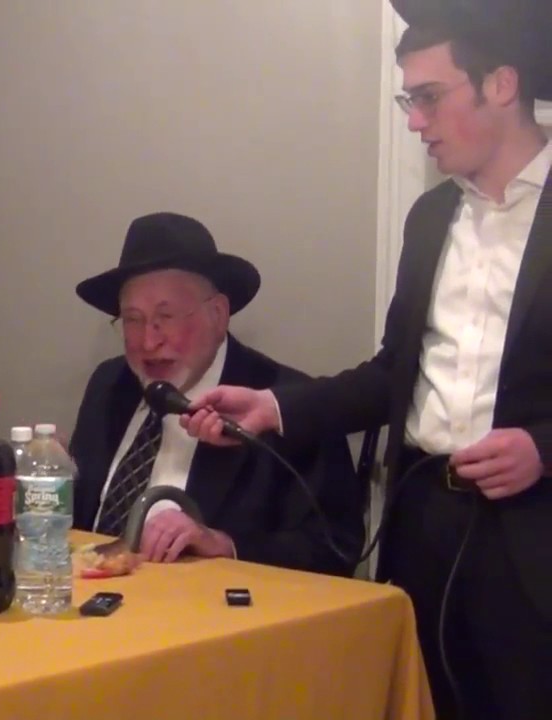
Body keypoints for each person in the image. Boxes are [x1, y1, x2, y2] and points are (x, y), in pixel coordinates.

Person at [181, 2, 552, 717]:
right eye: (409, 102)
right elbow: (393, 374)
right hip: (425, 526)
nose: (417, 122)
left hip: (535, 543)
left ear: (501, 84)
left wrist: (543, 449)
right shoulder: (431, 219)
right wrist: (275, 408)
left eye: (430, 97)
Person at [67, 212, 365, 577]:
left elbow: (336, 549)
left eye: (166, 317)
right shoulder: (109, 383)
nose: (148, 340)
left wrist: (226, 545)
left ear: (218, 314)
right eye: (133, 319)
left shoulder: (287, 405)